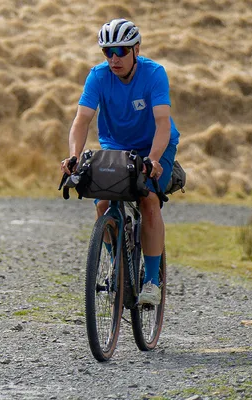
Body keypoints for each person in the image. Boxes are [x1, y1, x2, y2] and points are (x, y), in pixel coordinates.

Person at [60, 18, 180, 306]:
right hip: (116, 146)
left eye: (121, 51)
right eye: (107, 52)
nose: (114, 59)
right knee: (102, 204)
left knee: (148, 198)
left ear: (136, 49)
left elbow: (162, 122)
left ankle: (152, 280)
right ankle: (119, 268)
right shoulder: (98, 76)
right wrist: (75, 155)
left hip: (155, 146)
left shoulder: (154, 74)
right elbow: (81, 120)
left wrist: (153, 159)